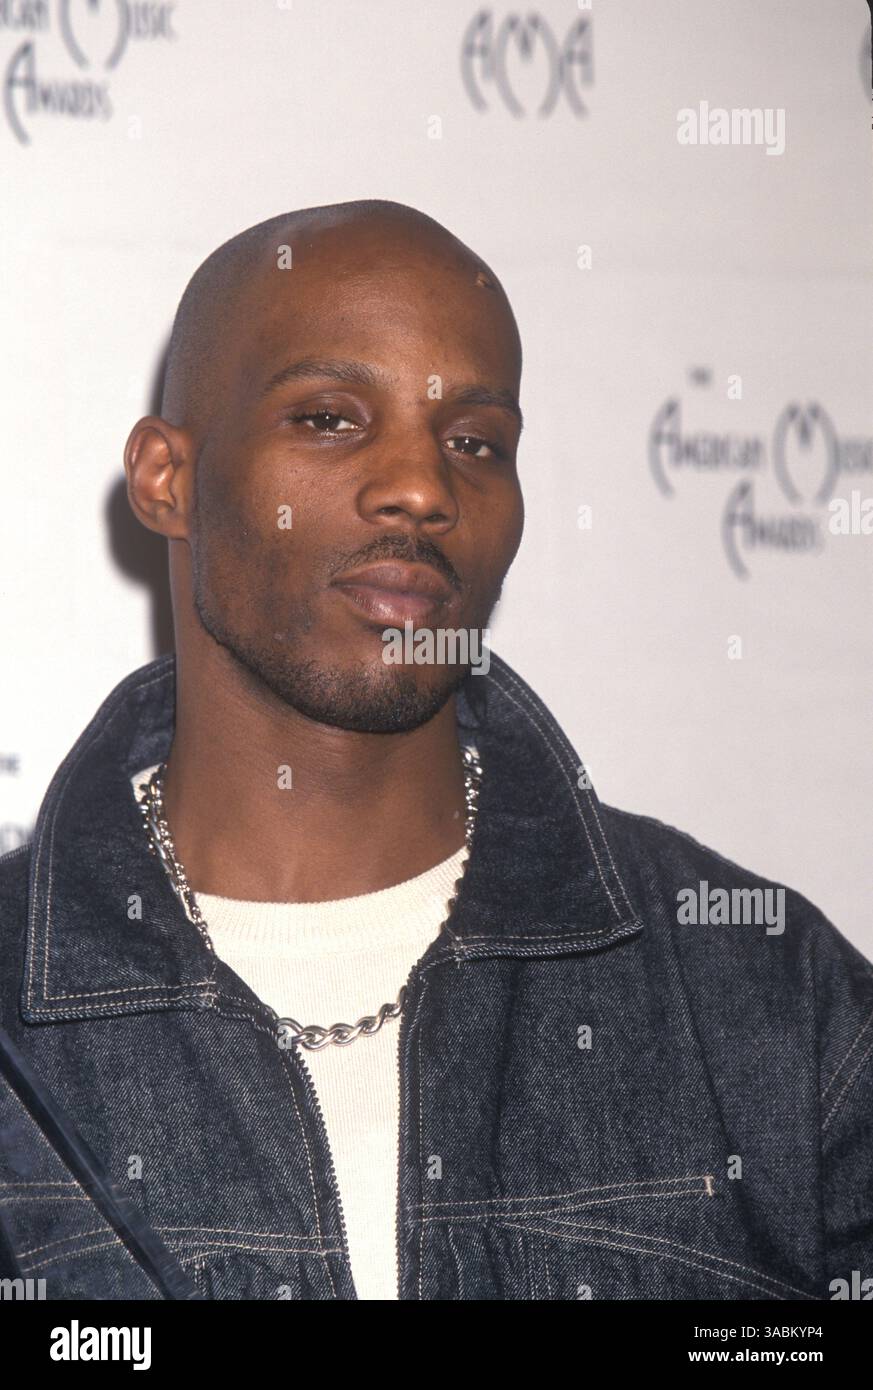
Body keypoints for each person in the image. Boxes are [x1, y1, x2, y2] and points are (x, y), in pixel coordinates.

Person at [0, 200, 870, 1301]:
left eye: (474, 442)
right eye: (329, 417)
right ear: (167, 478)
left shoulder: (763, 996)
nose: (422, 487)